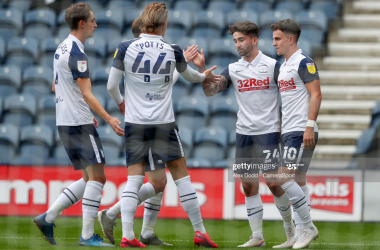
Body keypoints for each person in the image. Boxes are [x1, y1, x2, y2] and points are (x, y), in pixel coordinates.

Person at [106, 2, 219, 248]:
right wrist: (203, 74)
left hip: (135, 124)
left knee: (134, 180)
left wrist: (122, 104)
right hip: (164, 124)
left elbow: (111, 86)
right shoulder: (172, 49)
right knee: (181, 176)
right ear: (164, 24)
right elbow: (191, 77)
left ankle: (128, 236)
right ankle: (199, 232)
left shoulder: (125, 47)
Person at [197, 20, 295, 247]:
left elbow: (290, 96)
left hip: (269, 132)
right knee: (248, 186)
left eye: (241, 40)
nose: (238, 45)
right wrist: (202, 71)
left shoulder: (272, 66)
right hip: (244, 134)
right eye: (235, 41)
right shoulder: (233, 69)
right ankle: (257, 237)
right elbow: (211, 91)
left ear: (254, 39)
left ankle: (291, 232)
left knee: (274, 184)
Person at [33, 3, 123, 247]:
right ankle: (86, 237)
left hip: (64, 121)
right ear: (82, 23)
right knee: (98, 177)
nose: (95, 24)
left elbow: (56, 86)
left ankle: (48, 217)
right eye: (92, 20)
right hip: (79, 123)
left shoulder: (60, 48)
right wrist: (109, 118)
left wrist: (80, 107)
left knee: (88, 177)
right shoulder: (77, 53)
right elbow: (87, 93)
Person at [271, 19, 322, 249]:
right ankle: (300, 234)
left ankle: (309, 227)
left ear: (291, 39)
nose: (274, 43)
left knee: (284, 178)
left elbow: (316, 94)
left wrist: (310, 125)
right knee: (298, 180)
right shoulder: (283, 66)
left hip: (302, 130)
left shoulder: (304, 62)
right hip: (290, 130)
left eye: (277, 38)